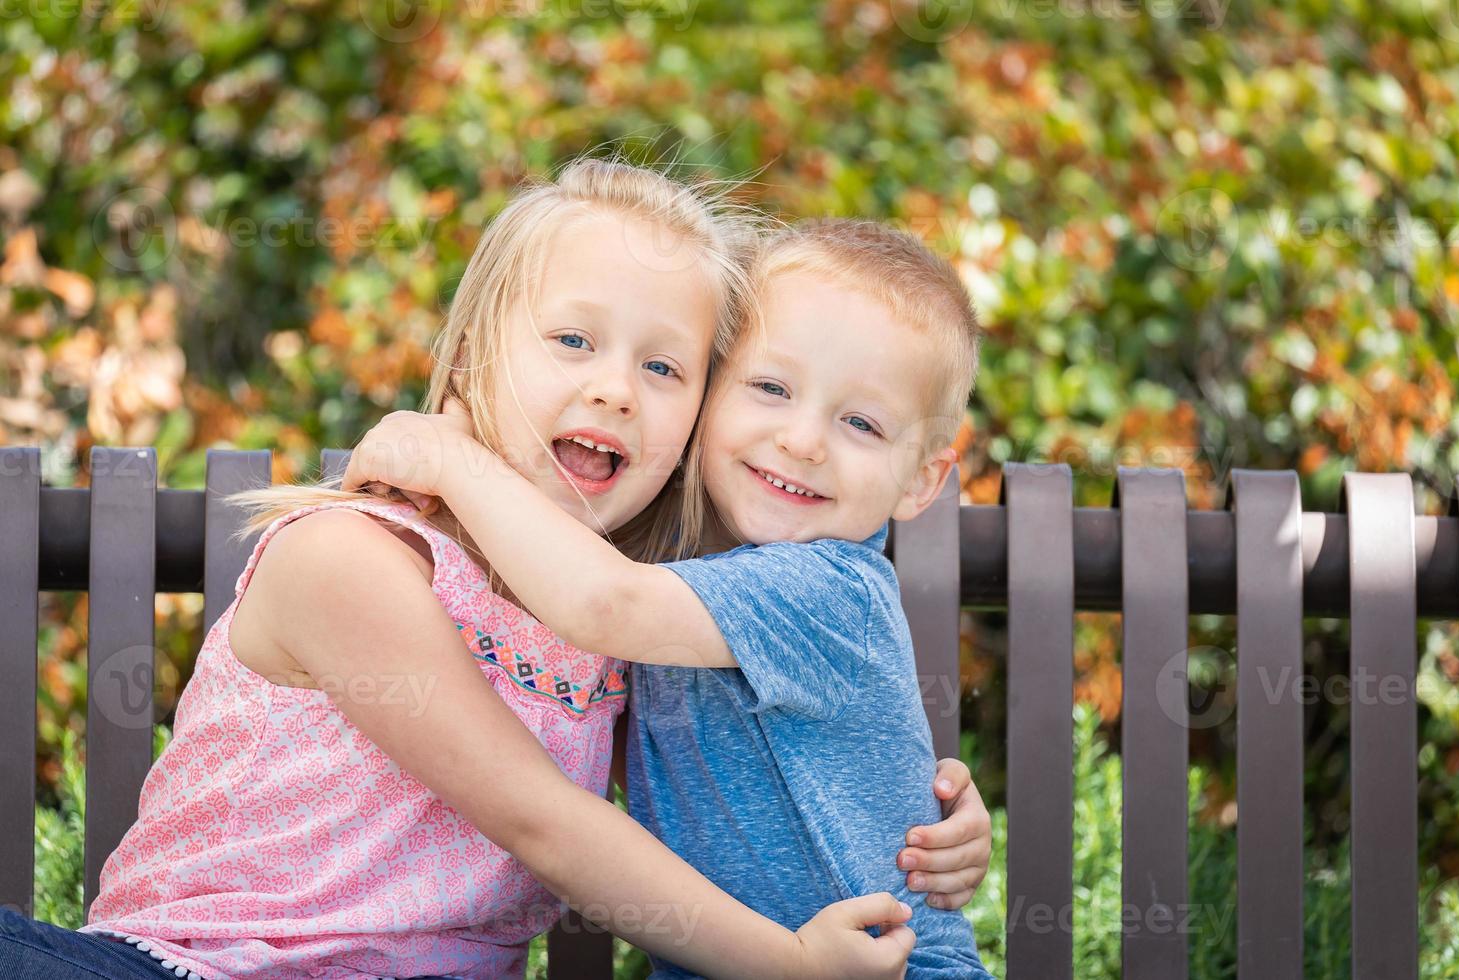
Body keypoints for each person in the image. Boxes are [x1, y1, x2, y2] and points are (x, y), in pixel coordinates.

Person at [0, 158, 984, 980]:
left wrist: (925, 806)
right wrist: (786, 962)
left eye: (665, 368)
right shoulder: (350, 558)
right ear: (470, 355)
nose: (614, 386)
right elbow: (542, 818)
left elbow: (779, 747)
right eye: (572, 339)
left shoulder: (620, 622)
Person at [341, 217, 996, 977]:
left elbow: (602, 605)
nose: (804, 440)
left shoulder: (826, 590)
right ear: (706, 396)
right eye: (771, 388)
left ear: (922, 478)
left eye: (860, 423)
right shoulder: (685, 582)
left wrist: (450, 459)